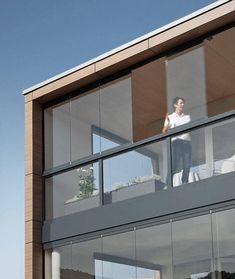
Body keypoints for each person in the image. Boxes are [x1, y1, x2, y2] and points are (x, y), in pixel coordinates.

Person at [162, 97, 191, 184]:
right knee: (174, 165)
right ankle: (168, 184)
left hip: (187, 143)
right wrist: (167, 121)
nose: (183, 104)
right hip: (176, 143)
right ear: (175, 105)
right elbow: (164, 131)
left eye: (183, 103)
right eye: (181, 103)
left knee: (187, 165)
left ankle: (185, 183)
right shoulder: (170, 117)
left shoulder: (187, 117)